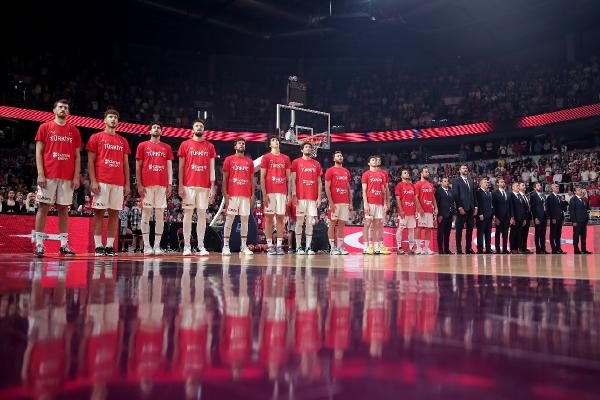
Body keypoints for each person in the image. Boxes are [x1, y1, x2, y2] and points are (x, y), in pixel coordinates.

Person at [33, 99, 82, 256]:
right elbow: (38, 151)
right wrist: (40, 173)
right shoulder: (45, 127)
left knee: (63, 209)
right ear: (54, 110)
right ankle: (39, 244)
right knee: (43, 207)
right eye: (60, 107)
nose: (63, 109)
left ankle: (64, 245)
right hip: (48, 174)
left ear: (68, 112)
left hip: (67, 177)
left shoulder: (74, 130)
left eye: (66, 108)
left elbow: (77, 156)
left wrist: (76, 176)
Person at [87, 109, 131, 256]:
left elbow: (126, 164)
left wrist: (127, 184)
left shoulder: (123, 140)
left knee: (114, 214)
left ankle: (110, 246)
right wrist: (93, 181)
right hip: (101, 181)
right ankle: (99, 246)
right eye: (110, 117)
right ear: (104, 120)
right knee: (99, 213)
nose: (113, 119)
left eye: (116, 117)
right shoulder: (96, 137)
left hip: (118, 183)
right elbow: (90, 161)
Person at [177, 119, 216, 256]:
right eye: (196, 126)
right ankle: (187, 246)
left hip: (204, 186)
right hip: (188, 185)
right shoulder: (185, 144)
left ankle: (201, 246)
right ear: (192, 130)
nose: (199, 127)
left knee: (201, 215)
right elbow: (181, 167)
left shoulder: (210, 146)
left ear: (203, 129)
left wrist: (212, 186)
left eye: (201, 126)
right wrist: (180, 185)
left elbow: (212, 168)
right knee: (187, 214)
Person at [135, 121, 173, 255]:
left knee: (159, 216)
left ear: (161, 132)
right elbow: (138, 166)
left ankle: (156, 246)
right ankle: (146, 246)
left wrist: (170, 184)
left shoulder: (166, 147)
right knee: (145, 215)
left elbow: (169, 167)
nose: (156, 129)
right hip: (147, 185)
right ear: (149, 131)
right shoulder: (142, 145)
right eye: (154, 128)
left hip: (162, 185)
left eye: (158, 128)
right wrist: (139, 184)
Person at [221, 138, 255, 256]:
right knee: (229, 219)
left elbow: (252, 180)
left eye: (243, 144)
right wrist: (225, 193)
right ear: (235, 146)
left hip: (246, 195)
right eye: (239, 143)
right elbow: (224, 178)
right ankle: (225, 246)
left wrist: (253, 194)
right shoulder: (229, 160)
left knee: (245, 221)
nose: (242, 145)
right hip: (232, 195)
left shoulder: (249, 161)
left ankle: (243, 246)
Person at [260, 136, 291, 255]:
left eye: (277, 140)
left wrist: (289, 194)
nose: (276, 141)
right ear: (269, 144)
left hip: (282, 192)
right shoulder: (266, 157)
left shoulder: (286, 158)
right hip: (270, 192)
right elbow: (262, 177)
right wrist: (264, 193)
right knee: (268, 218)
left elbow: (289, 179)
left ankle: (278, 246)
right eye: (273, 140)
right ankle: (269, 245)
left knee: (280, 219)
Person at [291, 142, 323, 255]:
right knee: (299, 222)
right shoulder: (296, 162)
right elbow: (292, 180)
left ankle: (308, 247)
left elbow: (319, 182)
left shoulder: (316, 164)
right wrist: (294, 195)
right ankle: (299, 247)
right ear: (302, 150)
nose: (308, 148)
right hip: (300, 197)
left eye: (310, 147)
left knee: (310, 222)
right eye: (306, 147)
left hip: (312, 198)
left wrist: (319, 197)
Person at [324, 151, 352, 255]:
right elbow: (327, 187)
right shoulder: (330, 171)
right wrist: (331, 202)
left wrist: (351, 202)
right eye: (337, 156)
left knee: (341, 225)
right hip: (334, 202)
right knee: (332, 224)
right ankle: (332, 248)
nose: (340, 157)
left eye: (341, 155)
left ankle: (340, 247)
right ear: (333, 159)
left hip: (344, 202)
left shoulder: (346, 171)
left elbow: (348, 188)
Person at [361, 155, 390, 255]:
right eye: (372, 160)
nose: (374, 161)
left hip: (379, 203)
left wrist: (385, 203)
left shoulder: (381, 175)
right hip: (370, 202)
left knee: (377, 225)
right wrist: (365, 203)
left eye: (375, 160)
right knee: (367, 224)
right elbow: (364, 190)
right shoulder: (366, 174)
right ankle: (366, 247)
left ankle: (377, 247)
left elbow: (384, 191)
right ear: (369, 163)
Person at [452, 165, 478, 254]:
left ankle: (468, 248)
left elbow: (474, 195)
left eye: (466, 168)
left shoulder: (471, 181)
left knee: (470, 230)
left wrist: (475, 207)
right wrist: (459, 207)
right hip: (461, 209)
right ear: (459, 170)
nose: (465, 169)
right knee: (459, 230)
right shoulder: (456, 180)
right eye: (463, 168)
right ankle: (459, 249)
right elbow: (455, 194)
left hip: (471, 208)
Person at [414, 167, 437, 255]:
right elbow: (415, 197)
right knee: (419, 228)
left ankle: (426, 248)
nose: (428, 173)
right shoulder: (417, 184)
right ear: (421, 173)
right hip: (421, 210)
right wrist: (419, 208)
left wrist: (436, 207)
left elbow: (433, 197)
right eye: (426, 172)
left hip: (429, 210)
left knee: (428, 229)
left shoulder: (431, 185)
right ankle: (418, 248)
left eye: (428, 172)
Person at [395, 169, 417, 255]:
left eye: (407, 173)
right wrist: (401, 210)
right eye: (404, 173)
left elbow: (415, 199)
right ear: (401, 176)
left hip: (412, 211)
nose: (407, 174)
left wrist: (416, 210)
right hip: (403, 211)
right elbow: (397, 199)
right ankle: (399, 247)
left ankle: (411, 248)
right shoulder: (399, 185)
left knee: (411, 229)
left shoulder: (412, 186)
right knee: (400, 228)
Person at [435, 177, 455, 254]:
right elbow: (437, 203)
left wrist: (453, 214)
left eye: (447, 181)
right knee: (440, 233)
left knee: (447, 233)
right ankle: (440, 249)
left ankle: (447, 249)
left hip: (449, 215)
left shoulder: (450, 191)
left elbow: (452, 203)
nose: (447, 182)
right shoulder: (438, 191)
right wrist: (439, 214)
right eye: (445, 181)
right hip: (441, 215)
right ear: (441, 183)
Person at [569, 186, 591, 254]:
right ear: (575, 192)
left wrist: (586, 218)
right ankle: (576, 250)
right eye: (578, 190)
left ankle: (583, 249)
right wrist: (574, 221)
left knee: (583, 236)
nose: (580, 191)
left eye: (581, 190)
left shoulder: (583, 199)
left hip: (584, 221)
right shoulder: (573, 199)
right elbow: (572, 211)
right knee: (576, 236)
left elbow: (585, 210)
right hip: (577, 221)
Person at [492, 178, 510, 254]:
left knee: (505, 234)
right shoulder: (494, 193)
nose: (503, 183)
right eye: (501, 182)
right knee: (498, 233)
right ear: (497, 184)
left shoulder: (508, 192)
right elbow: (493, 206)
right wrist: (495, 217)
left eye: (504, 182)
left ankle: (505, 249)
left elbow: (510, 205)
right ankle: (497, 249)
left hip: (507, 216)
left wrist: (511, 216)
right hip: (498, 216)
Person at [546, 184, 566, 254]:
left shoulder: (559, 197)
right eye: (556, 187)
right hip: (554, 218)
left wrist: (563, 217)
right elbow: (548, 209)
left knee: (558, 234)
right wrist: (551, 218)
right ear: (552, 188)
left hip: (560, 218)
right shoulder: (550, 197)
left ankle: (559, 248)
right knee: (553, 234)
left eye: (558, 186)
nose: (558, 187)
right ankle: (554, 249)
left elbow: (561, 208)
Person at [475, 178, 494, 254]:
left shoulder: (489, 193)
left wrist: (492, 215)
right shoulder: (478, 192)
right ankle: (480, 249)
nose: (487, 183)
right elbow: (478, 204)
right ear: (480, 184)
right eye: (485, 182)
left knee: (488, 233)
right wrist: (480, 213)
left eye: (487, 182)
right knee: (480, 233)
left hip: (489, 216)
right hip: (481, 216)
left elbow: (491, 205)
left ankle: (488, 249)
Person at [530, 182, 548, 254]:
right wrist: (535, 217)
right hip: (538, 217)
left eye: (540, 185)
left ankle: (543, 249)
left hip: (544, 216)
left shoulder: (543, 195)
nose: (540, 186)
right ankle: (538, 249)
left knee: (543, 234)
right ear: (534, 188)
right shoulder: (533, 195)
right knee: (537, 233)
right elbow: (533, 208)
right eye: (538, 185)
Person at [508, 182, 525, 254]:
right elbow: (510, 207)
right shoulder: (511, 195)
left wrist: (524, 218)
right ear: (513, 187)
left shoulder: (520, 196)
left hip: (520, 218)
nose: (518, 187)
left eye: (518, 186)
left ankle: (517, 248)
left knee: (519, 234)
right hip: (514, 218)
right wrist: (512, 217)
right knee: (513, 233)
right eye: (517, 186)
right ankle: (512, 248)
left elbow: (522, 208)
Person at [519, 182, 533, 253]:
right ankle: (520, 248)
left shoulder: (526, 196)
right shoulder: (519, 196)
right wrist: (523, 218)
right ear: (519, 187)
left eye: (524, 185)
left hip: (527, 218)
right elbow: (521, 209)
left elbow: (528, 209)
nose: (524, 186)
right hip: (522, 218)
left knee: (525, 233)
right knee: (521, 233)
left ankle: (524, 248)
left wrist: (530, 218)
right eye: (522, 185)